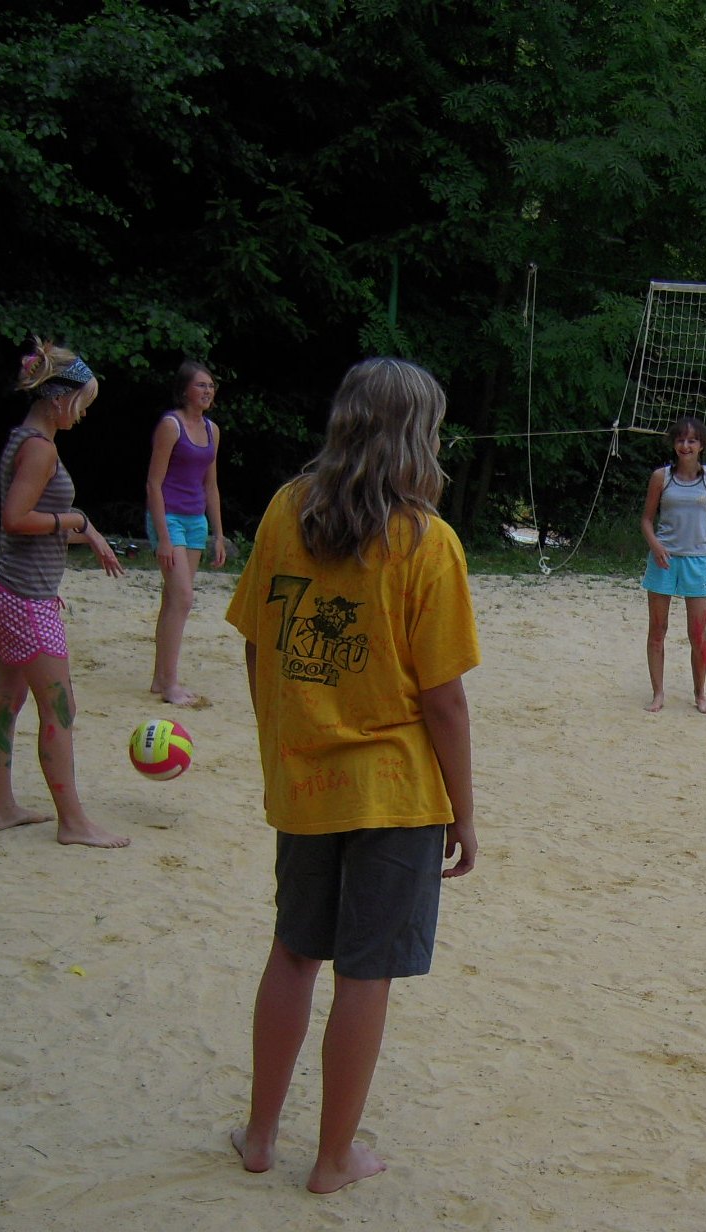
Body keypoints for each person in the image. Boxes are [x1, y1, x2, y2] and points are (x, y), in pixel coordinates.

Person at [225, 358, 478, 1194]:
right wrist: (464, 813)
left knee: (294, 950)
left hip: (306, 781)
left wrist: (281, 742)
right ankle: (333, 1159)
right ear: (417, 438)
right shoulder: (426, 542)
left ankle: (260, 1135)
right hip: (394, 793)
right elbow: (444, 701)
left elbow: (258, 645)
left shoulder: (284, 510)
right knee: (365, 972)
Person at [0, 338, 127, 848]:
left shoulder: (24, 438)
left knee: (6, 698)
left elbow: (35, 521)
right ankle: (73, 822)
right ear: (59, 397)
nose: (82, 414)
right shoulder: (40, 448)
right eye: (81, 403)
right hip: (24, 597)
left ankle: (4, 809)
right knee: (59, 708)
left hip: (7, 587)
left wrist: (86, 532)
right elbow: (16, 519)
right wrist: (76, 520)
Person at [146, 360, 227, 707]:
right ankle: (171, 685)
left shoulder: (212, 430)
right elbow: (153, 483)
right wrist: (163, 537)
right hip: (170, 517)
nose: (207, 391)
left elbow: (211, 485)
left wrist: (218, 534)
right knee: (183, 597)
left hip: (196, 521)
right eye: (200, 385)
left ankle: (159, 678)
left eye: (210, 385)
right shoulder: (171, 425)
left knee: (173, 599)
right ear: (184, 390)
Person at [641, 416, 706, 713]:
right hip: (664, 560)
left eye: (692, 440)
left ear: (702, 445)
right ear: (674, 444)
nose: (685, 446)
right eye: (680, 440)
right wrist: (655, 545)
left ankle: (700, 693)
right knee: (658, 630)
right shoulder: (661, 477)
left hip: (698, 560)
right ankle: (658, 693)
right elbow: (646, 520)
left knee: (697, 634)